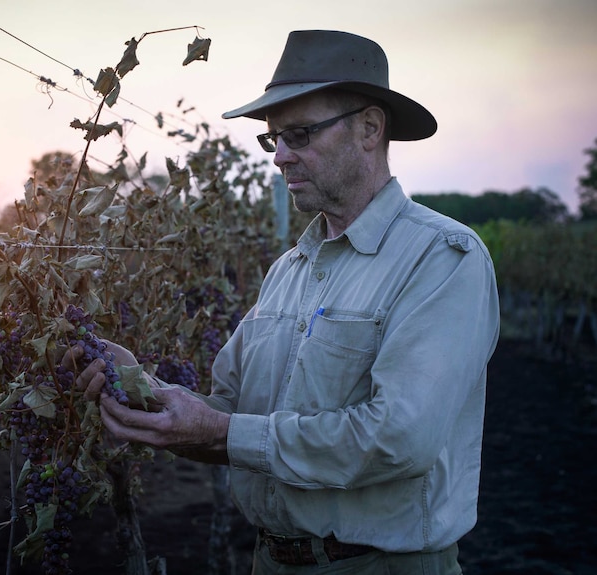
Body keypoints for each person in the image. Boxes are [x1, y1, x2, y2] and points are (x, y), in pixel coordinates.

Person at [65, 30, 500, 574]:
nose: (281, 158)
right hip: (269, 561)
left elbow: (398, 439)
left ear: (369, 128)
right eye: (273, 140)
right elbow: (229, 420)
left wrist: (221, 431)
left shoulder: (441, 258)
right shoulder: (289, 270)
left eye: (299, 135)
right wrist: (142, 387)